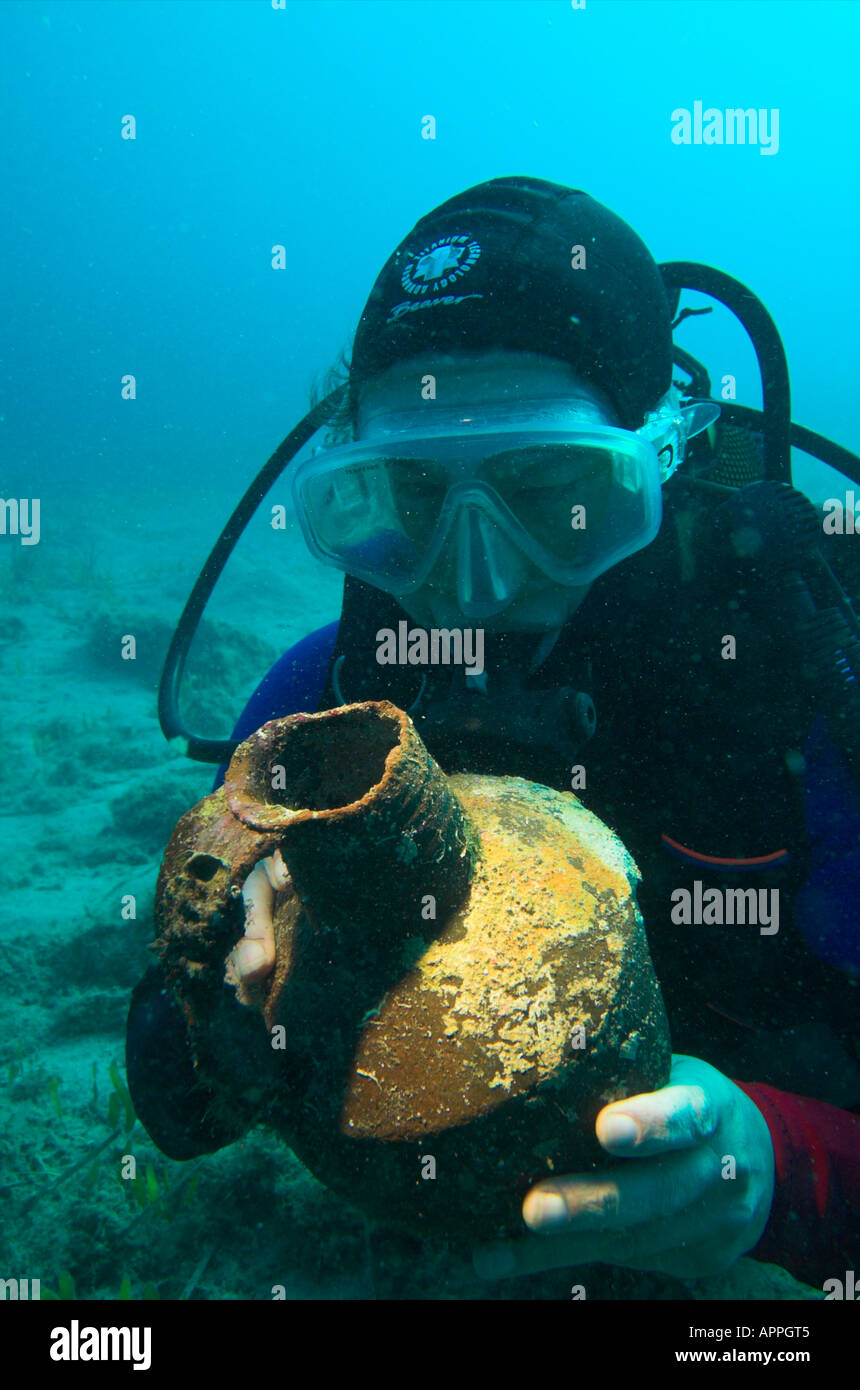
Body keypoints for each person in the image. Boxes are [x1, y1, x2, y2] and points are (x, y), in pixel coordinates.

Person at [129, 176, 860, 1290]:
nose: (472, 582)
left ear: (659, 459)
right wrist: (225, 995)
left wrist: (784, 1166)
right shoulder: (317, 706)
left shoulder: (806, 690)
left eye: (554, 493)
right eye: (411, 499)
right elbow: (177, 1101)